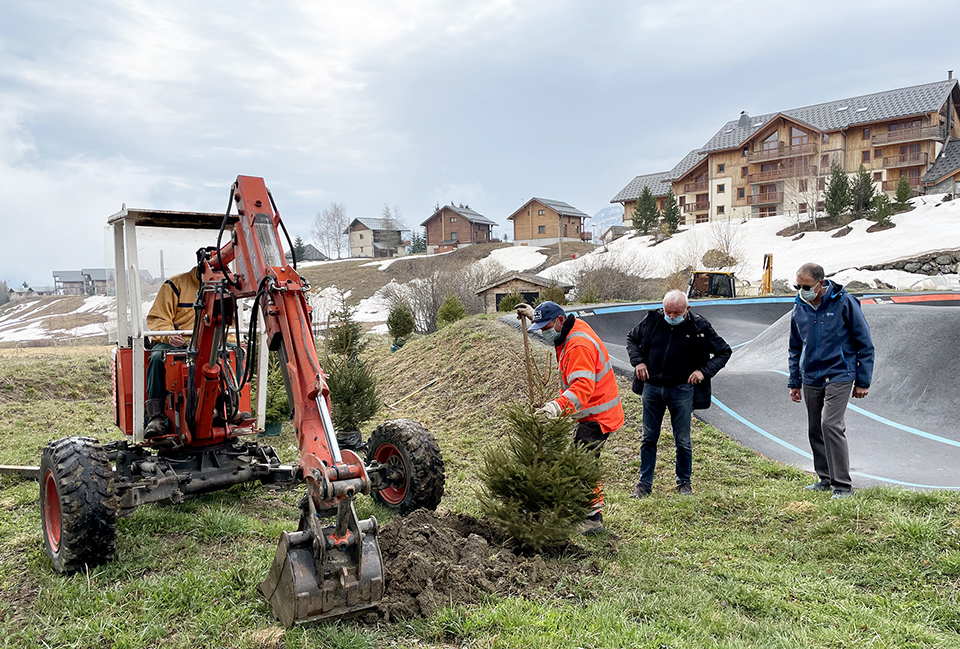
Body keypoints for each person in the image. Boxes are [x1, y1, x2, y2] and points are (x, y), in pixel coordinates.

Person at [516, 300, 624, 535]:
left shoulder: (578, 345)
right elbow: (552, 322)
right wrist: (534, 316)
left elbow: (582, 388)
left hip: (597, 414)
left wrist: (555, 408)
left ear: (560, 321)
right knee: (582, 461)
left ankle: (592, 519)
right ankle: (586, 513)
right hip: (591, 411)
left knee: (581, 465)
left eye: (545, 328)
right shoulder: (570, 325)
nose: (543, 333)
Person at [626, 289, 731, 497]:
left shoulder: (700, 326)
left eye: (677, 313)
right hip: (652, 388)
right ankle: (644, 484)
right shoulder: (652, 320)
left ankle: (684, 483)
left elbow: (724, 351)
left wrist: (704, 372)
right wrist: (638, 362)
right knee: (648, 438)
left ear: (687, 309)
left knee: (682, 440)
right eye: (668, 312)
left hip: (682, 389)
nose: (671, 317)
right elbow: (631, 339)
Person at [788, 263, 874, 499]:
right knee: (815, 427)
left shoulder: (845, 303)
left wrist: (863, 381)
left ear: (821, 283)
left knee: (830, 425)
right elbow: (795, 347)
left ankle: (843, 486)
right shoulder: (799, 308)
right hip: (810, 376)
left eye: (806, 286)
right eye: (798, 286)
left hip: (840, 373)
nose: (801, 290)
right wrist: (794, 381)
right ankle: (824, 478)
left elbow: (864, 343)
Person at [143, 266, 201, 437]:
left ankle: (228, 407)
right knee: (156, 358)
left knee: (233, 353)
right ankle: (156, 416)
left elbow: (230, 323)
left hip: (207, 342)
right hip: (175, 342)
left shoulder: (223, 288)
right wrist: (169, 336)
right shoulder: (175, 285)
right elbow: (159, 318)